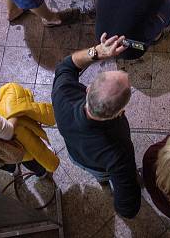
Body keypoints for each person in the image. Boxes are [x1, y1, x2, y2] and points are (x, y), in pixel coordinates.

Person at [51, 33, 142, 219]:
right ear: (120, 112)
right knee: (106, 175)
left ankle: (102, 181)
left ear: (88, 89)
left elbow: (66, 66)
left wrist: (97, 52)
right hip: (103, 166)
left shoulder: (63, 95)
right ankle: (104, 179)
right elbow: (128, 206)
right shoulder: (118, 151)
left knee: (99, 175)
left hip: (76, 155)